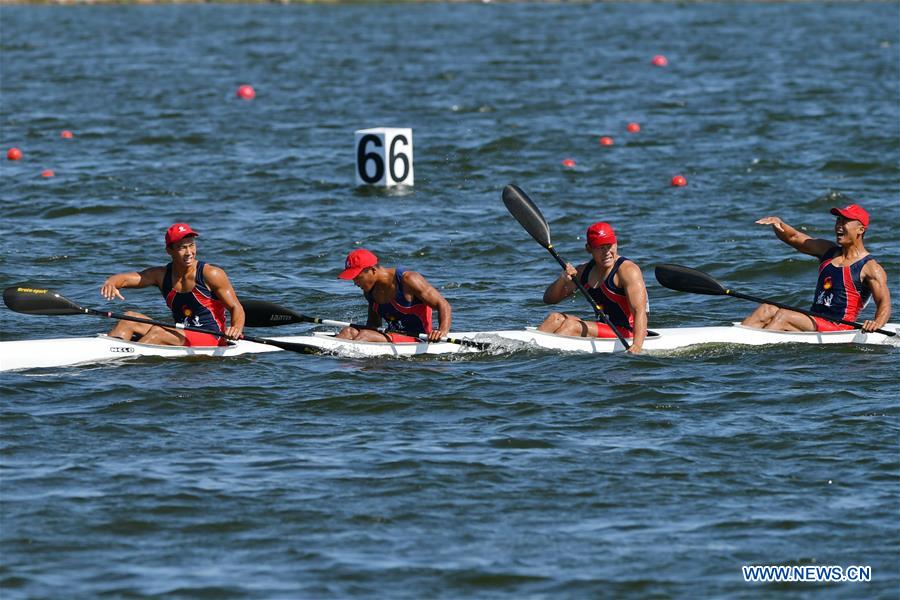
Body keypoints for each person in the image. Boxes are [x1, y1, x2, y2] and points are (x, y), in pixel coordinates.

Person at [742, 203, 890, 332]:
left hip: (838, 326)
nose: (839, 225)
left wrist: (876, 323)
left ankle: (755, 352)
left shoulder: (870, 267)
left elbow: (884, 303)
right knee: (766, 309)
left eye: (845, 221)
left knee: (783, 316)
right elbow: (794, 238)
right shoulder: (828, 251)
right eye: (838, 220)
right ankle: (736, 338)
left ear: (860, 230)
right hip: (814, 319)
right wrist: (778, 223)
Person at [99, 223, 245, 346]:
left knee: (158, 333)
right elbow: (127, 279)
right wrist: (111, 282)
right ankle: (107, 355)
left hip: (211, 336)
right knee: (128, 319)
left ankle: (128, 359)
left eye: (191, 246)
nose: (189, 252)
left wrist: (236, 328)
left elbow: (235, 307)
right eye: (182, 247)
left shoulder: (211, 274)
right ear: (169, 250)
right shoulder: (161, 275)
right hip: (180, 331)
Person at [538, 221, 649, 354]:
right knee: (554, 318)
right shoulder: (584, 271)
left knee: (572, 326)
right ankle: (531, 350)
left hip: (628, 332)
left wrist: (637, 345)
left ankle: (546, 358)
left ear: (616, 243)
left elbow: (639, 311)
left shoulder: (628, 271)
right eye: (600, 247)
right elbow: (549, 299)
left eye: (610, 246)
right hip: (604, 326)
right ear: (589, 248)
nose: (607, 252)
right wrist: (562, 280)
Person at [335, 248, 452, 343]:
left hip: (419, 338)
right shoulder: (369, 291)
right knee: (347, 332)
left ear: (372, 270)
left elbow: (443, 305)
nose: (355, 283)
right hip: (392, 336)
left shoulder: (408, 280)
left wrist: (441, 332)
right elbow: (373, 325)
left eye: (357, 277)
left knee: (365, 336)